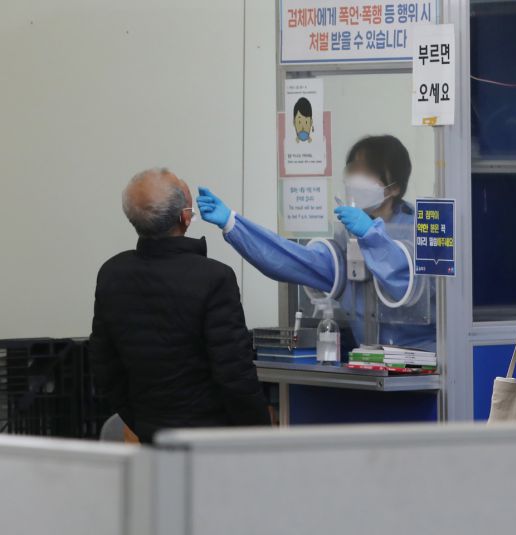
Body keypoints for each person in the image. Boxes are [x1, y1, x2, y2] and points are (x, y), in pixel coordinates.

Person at [197, 135, 435, 351]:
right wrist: (233, 224)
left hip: (427, 364)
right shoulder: (346, 238)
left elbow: (405, 278)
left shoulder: (418, 230)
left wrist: (371, 236)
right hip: (370, 361)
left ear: (394, 187)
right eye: (353, 169)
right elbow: (292, 261)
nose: (356, 179)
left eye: (367, 171)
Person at [89, 168, 271, 443]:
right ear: (186, 217)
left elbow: (104, 364)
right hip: (211, 437)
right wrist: (259, 433)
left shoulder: (111, 273)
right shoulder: (214, 278)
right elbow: (234, 373)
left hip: (150, 431)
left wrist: (140, 421)